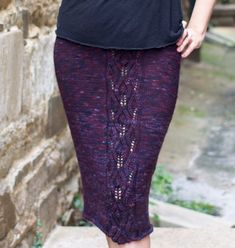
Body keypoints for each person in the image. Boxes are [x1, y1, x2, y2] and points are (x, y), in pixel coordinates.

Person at [53, 0, 216, 247]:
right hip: (82, 50)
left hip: (155, 52)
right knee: (113, 199)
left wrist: (199, 22)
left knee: (127, 200)